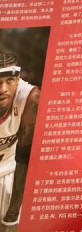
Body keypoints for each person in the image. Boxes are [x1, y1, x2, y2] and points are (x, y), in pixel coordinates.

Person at [0, 53, 39, 230]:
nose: (3, 89)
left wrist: (12, 214)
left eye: (9, 80)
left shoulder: (30, 97)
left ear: (18, 79)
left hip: (10, 173)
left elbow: (24, 159)